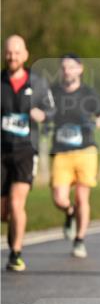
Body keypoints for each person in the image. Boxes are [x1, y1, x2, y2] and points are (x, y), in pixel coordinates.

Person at [48, 54, 100, 259]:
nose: (67, 71)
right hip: (61, 151)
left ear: (80, 69)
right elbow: (42, 112)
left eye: (71, 67)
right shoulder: (53, 93)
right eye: (64, 67)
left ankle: (79, 240)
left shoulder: (88, 94)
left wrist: (95, 124)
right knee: (60, 198)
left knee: (81, 197)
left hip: (86, 151)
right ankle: (69, 214)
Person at [2, 35, 54, 272]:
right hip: (2, 151)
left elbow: (52, 109)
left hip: (25, 150)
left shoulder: (38, 83)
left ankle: (16, 253)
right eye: (8, 52)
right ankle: (13, 241)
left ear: (25, 54)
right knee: (4, 212)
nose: (12, 56)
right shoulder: (0, 82)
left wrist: (43, 115)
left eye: (16, 52)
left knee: (16, 202)